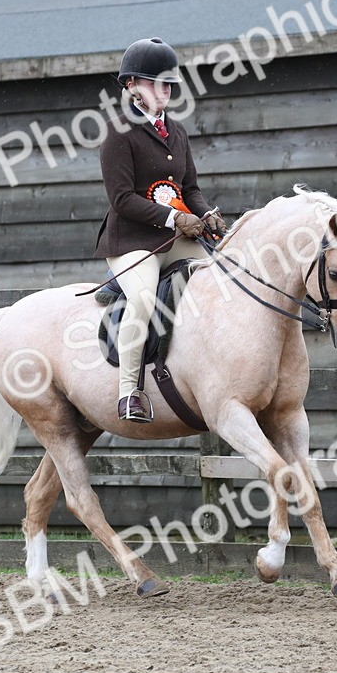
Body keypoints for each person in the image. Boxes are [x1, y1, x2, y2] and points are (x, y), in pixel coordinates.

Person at [94, 37, 226, 423]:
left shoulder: (177, 131)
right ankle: (128, 393)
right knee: (144, 300)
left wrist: (208, 215)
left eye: (168, 84)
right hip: (134, 242)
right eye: (155, 83)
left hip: (178, 239)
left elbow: (190, 190)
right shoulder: (118, 131)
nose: (164, 90)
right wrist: (174, 218)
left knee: (222, 278)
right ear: (132, 85)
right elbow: (121, 199)